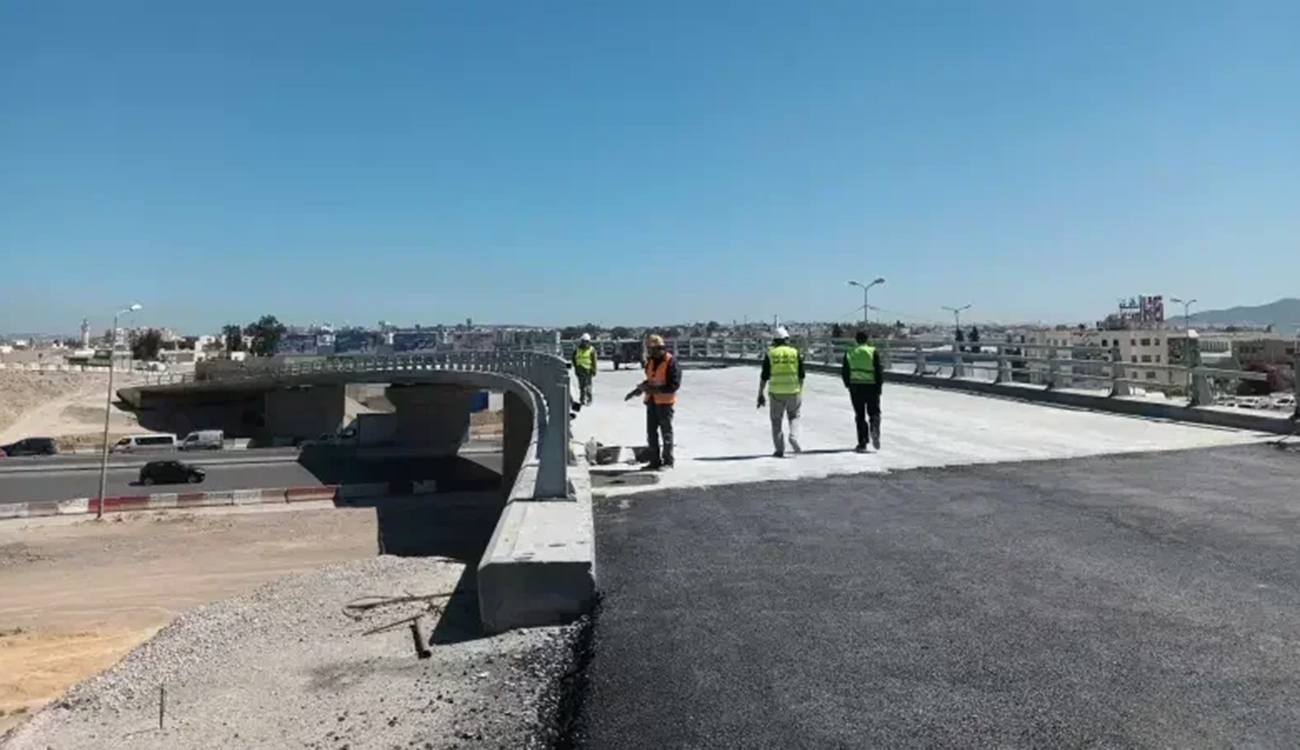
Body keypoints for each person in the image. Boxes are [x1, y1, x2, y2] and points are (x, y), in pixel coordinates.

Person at [624, 334, 681, 470]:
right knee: (651, 433)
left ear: (660, 348)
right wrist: (637, 391)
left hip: (665, 403)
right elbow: (650, 380)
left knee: (666, 432)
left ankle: (668, 462)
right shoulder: (650, 361)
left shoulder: (671, 362)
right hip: (651, 401)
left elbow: (674, 385)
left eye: (652, 349)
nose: (650, 352)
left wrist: (656, 390)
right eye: (649, 349)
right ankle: (654, 461)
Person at [757, 326, 805, 457]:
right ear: (787, 339)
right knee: (794, 416)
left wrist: (760, 393)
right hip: (793, 390)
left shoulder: (770, 354)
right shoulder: (795, 353)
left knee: (776, 421)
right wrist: (799, 389)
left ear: (774, 340)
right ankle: (794, 437)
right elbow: (801, 374)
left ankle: (779, 450)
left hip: (776, 392)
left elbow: (764, 376)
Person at [842, 330, 885, 452]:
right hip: (871, 386)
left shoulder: (850, 352)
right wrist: (879, 387)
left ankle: (862, 442)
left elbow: (845, 371)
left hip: (855, 387)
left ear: (856, 340)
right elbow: (878, 371)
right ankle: (874, 429)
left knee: (860, 415)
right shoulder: (872, 351)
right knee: (874, 412)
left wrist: (848, 385)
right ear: (867, 339)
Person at [572, 333, 597, 405]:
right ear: (582, 341)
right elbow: (573, 358)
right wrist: (576, 366)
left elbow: (594, 360)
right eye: (584, 341)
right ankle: (582, 399)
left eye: (587, 341)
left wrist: (594, 370)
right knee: (582, 386)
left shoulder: (591, 350)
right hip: (580, 370)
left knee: (588, 386)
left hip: (588, 370)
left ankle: (589, 399)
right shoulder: (577, 349)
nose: (585, 343)